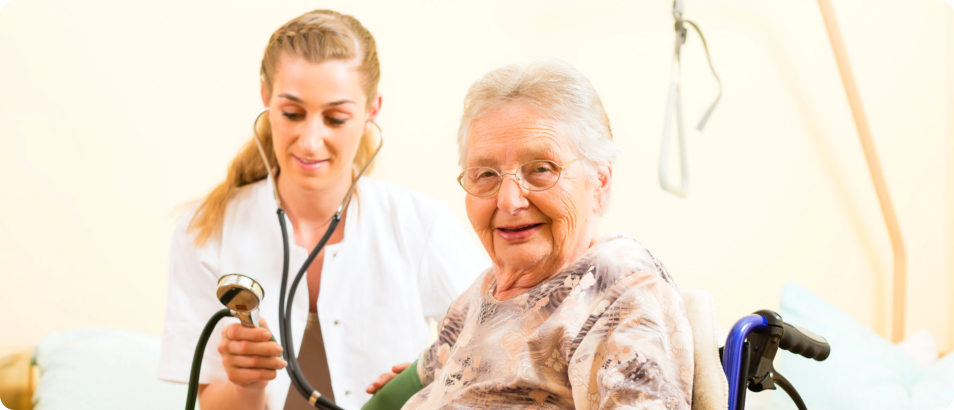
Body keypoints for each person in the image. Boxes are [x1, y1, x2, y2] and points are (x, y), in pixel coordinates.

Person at [158, 10, 486, 410]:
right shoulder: (205, 230)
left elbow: (501, 345)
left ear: (371, 112)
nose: (310, 141)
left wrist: (433, 385)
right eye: (293, 113)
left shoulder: (421, 223)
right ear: (266, 98)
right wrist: (245, 384)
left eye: (335, 118)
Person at [366, 59, 694, 409]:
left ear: (599, 183)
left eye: (541, 169)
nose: (508, 201)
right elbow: (419, 376)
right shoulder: (485, 290)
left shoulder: (615, 288)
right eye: (486, 174)